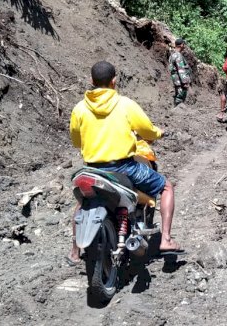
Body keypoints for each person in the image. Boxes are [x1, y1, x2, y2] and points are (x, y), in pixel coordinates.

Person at [68, 61, 182, 265]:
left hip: (92, 169)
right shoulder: (125, 104)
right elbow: (147, 131)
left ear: (91, 81)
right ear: (114, 81)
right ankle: (165, 239)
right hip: (124, 168)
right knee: (166, 187)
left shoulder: (79, 109)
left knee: (83, 203)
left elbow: (77, 141)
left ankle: (75, 252)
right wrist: (158, 133)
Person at [169, 38, 192, 106]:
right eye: (183, 44)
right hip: (180, 81)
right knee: (180, 97)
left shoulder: (173, 55)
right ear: (181, 45)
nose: (184, 46)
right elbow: (181, 70)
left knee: (178, 96)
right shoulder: (178, 55)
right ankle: (179, 110)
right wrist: (185, 82)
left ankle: (178, 109)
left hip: (177, 80)